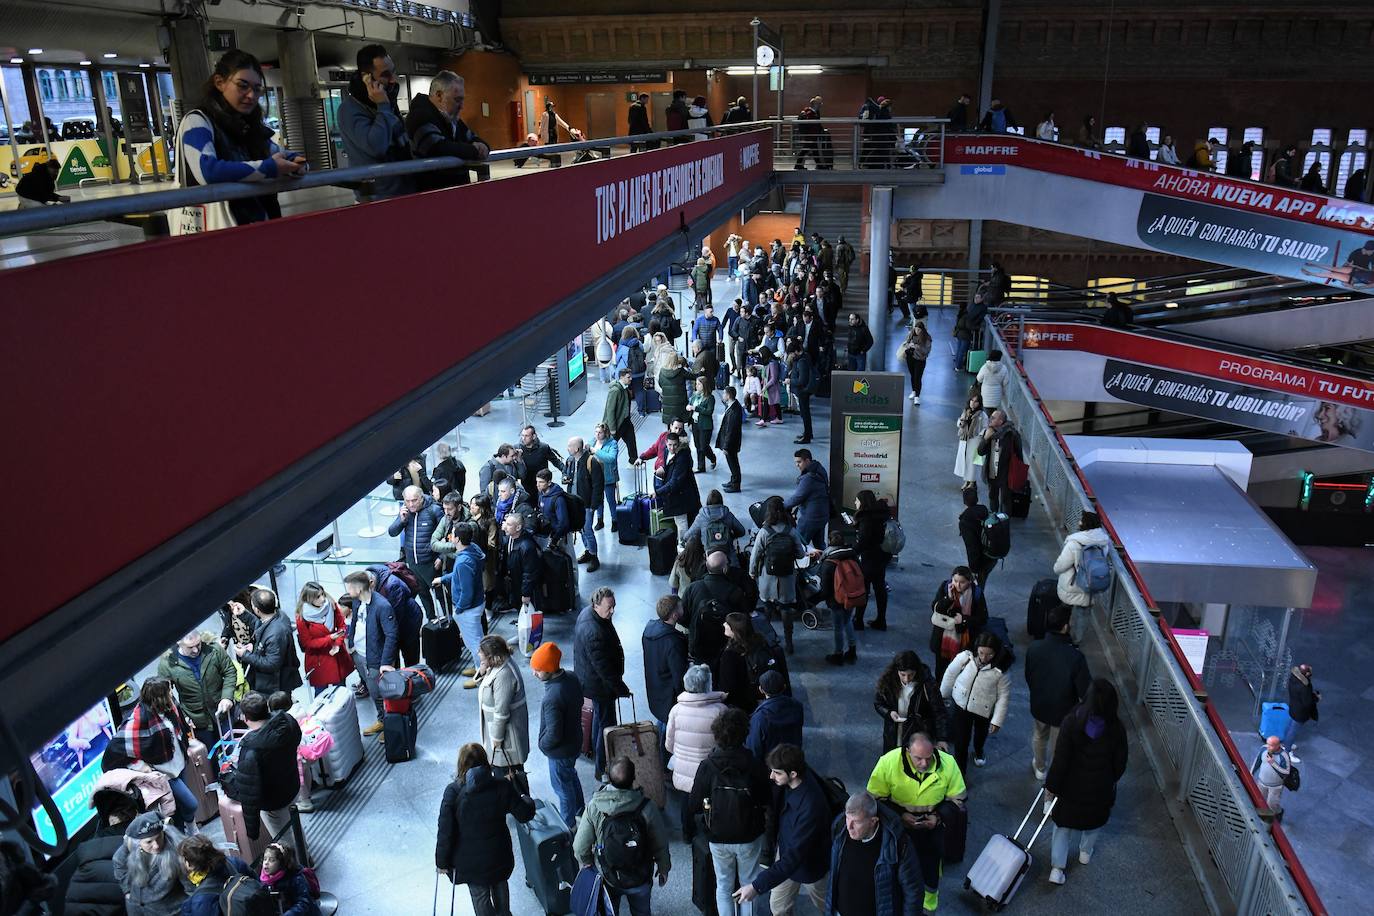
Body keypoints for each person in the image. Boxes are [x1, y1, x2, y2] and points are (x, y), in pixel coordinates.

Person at [175, 50, 305, 227]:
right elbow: (208, 171)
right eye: (243, 85)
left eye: (257, 89)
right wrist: (270, 168)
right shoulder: (197, 121)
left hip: (257, 228)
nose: (251, 95)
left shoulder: (249, 126)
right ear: (219, 82)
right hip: (218, 234)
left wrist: (296, 163)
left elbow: (278, 153)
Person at [866, 732, 967, 914]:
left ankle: (928, 908)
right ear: (907, 751)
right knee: (898, 871)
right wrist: (900, 815)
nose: (924, 763)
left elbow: (958, 800)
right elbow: (875, 799)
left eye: (928, 757)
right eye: (918, 758)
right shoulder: (888, 763)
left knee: (930, 873)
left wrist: (938, 817)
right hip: (899, 830)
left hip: (932, 831)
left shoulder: (948, 763)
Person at [684, 707, 771, 916]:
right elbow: (766, 799)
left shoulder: (707, 766)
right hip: (749, 834)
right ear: (744, 733)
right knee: (749, 882)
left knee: (723, 884)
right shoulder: (754, 764)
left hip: (718, 834)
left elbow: (693, 803)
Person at [1044, 679, 1129, 885]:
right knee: (1093, 824)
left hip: (1070, 790)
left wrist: (1052, 787)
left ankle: (1057, 868)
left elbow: (1060, 760)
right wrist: (1108, 778)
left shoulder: (1072, 721)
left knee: (1063, 827)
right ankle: (1085, 853)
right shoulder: (1117, 729)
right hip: (1099, 791)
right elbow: (1120, 763)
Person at [436, 742, 536, 916]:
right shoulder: (501, 786)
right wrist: (524, 797)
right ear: (485, 762)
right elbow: (524, 814)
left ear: (461, 765)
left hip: (470, 864)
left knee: (480, 899)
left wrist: (441, 862)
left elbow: (445, 831)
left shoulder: (453, 792)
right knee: (501, 891)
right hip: (499, 855)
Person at [733, 744, 831, 914]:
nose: (771, 776)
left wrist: (756, 886)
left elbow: (794, 857)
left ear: (793, 774)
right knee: (778, 906)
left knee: (826, 904)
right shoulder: (793, 778)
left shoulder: (811, 806)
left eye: (777, 772)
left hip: (809, 864)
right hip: (787, 852)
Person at [573, 757, 672, 915]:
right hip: (641, 874)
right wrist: (664, 868)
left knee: (610, 910)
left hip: (609, 876)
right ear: (633, 778)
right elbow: (660, 841)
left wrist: (587, 863)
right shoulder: (647, 807)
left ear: (609, 778)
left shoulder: (595, 806)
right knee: (642, 911)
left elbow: (579, 847)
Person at [104, 678, 200, 831]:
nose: (171, 693)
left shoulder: (170, 706)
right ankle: (192, 831)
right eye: (168, 692)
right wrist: (142, 767)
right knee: (190, 803)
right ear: (159, 697)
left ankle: (183, 836)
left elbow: (179, 725)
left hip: (180, 763)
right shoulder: (139, 719)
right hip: (164, 773)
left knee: (178, 806)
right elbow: (115, 751)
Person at [220, 691, 302, 842]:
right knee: (295, 826)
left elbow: (249, 793)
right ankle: (306, 856)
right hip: (292, 785)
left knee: (283, 840)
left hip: (273, 802)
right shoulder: (287, 721)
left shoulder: (251, 750)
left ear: (245, 718)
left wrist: (252, 831)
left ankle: (299, 863)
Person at [826, 791, 923, 916]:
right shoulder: (840, 829)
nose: (849, 826)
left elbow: (913, 891)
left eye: (856, 822)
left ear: (873, 821)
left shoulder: (897, 844)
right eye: (847, 818)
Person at [338, 44, 414, 200]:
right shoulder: (349, 110)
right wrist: (383, 106)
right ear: (367, 78)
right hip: (378, 198)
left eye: (393, 71)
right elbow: (376, 146)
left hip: (405, 190)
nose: (393, 79)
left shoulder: (387, 100)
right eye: (385, 74)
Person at [1024, 605, 1091, 781]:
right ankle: (1054, 771)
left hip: (1039, 703)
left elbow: (1029, 676)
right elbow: (1085, 691)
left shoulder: (1034, 648)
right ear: (1065, 626)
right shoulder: (1075, 657)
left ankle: (1039, 767)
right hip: (1063, 710)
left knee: (1039, 735)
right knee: (1058, 743)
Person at [524, 643, 587, 830]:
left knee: (562, 789)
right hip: (575, 741)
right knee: (570, 776)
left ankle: (568, 826)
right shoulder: (571, 677)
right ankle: (580, 811)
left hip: (560, 751)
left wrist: (542, 744)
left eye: (538, 670)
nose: (534, 673)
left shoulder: (552, 697)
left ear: (550, 670)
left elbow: (554, 733)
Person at [940, 632, 1013, 775]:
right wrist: (943, 694)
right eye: (981, 653)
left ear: (996, 653)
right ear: (976, 648)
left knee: (980, 733)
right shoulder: (965, 657)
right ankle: (960, 774)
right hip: (962, 705)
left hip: (984, 709)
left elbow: (1003, 696)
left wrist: (997, 721)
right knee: (961, 741)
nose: (984, 658)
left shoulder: (1001, 671)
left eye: (989, 654)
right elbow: (950, 674)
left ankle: (979, 750)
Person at [576, 588, 629, 781]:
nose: (613, 611)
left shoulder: (590, 615)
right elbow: (603, 668)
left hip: (591, 681)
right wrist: (620, 688)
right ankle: (602, 768)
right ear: (596, 605)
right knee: (607, 725)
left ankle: (596, 753)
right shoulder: (593, 632)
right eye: (609, 607)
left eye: (614, 606)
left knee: (600, 718)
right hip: (600, 686)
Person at [404, 70, 489, 190]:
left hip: (453, 191)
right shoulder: (419, 117)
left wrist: (483, 145)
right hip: (431, 193)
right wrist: (474, 150)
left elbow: (472, 137)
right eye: (457, 100)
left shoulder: (452, 119)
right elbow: (437, 148)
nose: (462, 106)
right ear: (439, 96)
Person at [156, 631, 236, 749]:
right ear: (179, 643)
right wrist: (182, 716)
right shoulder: (167, 663)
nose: (195, 650)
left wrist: (227, 696)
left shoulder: (213, 650)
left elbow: (229, 671)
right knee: (208, 758)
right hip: (196, 720)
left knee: (232, 751)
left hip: (223, 712)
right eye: (190, 647)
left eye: (198, 644)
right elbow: (165, 694)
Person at [343, 570, 399, 732]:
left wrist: (386, 662)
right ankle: (382, 721)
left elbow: (391, 635)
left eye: (349, 588)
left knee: (380, 694)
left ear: (359, 589)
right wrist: (351, 642)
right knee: (373, 691)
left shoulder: (383, 606)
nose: (348, 591)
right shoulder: (356, 601)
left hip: (375, 659)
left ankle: (389, 726)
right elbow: (354, 622)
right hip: (359, 654)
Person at [750, 497, 808, 654]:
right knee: (786, 609)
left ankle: (768, 640)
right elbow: (801, 554)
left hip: (767, 579)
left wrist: (752, 573)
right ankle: (789, 642)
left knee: (767, 608)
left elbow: (755, 556)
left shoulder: (764, 532)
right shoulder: (791, 531)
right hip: (787, 579)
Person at [667, 663, 730, 795]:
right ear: (708, 684)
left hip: (683, 774)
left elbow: (669, 744)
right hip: (711, 772)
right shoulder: (720, 710)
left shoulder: (676, 710)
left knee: (686, 807)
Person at [437, 521, 486, 688]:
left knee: (475, 644)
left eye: (452, 534)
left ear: (457, 539)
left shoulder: (464, 561)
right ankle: (479, 667)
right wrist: (443, 579)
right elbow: (460, 575)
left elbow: (466, 591)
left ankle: (481, 674)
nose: (450, 536)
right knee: (477, 640)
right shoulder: (473, 550)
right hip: (476, 604)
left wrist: (458, 610)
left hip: (468, 609)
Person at [874, 650, 949, 756]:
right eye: (903, 674)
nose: (907, 679)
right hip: (895, 732)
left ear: (916, 671)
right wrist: (889, 713)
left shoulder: (928, 684)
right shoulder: (889, 681)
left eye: (911, 675)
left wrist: (942, 738)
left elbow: (939, 712)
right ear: (897, 671)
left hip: (918, 732)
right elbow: (878, 702)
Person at [111, 814, 187, 916]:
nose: (156, 845)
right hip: (137, 909)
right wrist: (127, 891)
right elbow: (118, 863)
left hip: (171, 910)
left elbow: (191, 887)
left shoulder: (177, 849)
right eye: (149, 842)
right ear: (137, 843)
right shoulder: (127, 850)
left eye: (159, 837)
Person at [388, 485, 445, 620]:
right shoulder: (406, 512)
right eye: (407, 501)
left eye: (414, 500)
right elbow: (392, 532)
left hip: (431, 562)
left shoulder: (434, 510)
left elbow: (446, 534)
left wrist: (442, 557)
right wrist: (401, 520)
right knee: (422, 593)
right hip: (413, 562)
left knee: (440, 594)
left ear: (422, 498)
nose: (411, 504)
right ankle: (432, 618)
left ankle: (450, 619)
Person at [293, 583, 354, 697]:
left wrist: (337, 643)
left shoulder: (331, 604)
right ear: (309, 599)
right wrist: (330, 638)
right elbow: (307, 643)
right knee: (320, 694)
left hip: (336, 654)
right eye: (317, 597)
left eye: (322, 594)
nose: (322, 598)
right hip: (318, 659)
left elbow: (342, 626)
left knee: (341, 693)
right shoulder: (302, 616)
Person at [929, 566, 988, 682]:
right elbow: (935, 608)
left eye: (962, 582)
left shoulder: (976, 594)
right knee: (940, 669)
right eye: (955, 581)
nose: (957, 585)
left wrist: (964, 619)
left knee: (961, 671)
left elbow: (983, 618)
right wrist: (949, 598)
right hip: (942, 638)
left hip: (965, 641)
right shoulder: (946, 587)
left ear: (969, 582)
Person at [643, 595, 690, 740]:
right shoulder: (673, 641)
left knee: (662, 721)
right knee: (667, 733)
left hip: (655, 688)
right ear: (675, 615)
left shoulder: (649, 629)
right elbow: (679, 677)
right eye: (681, 607)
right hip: (669, 695)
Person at [1053, 511, 1112, 609]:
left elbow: (1060, 566)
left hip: (1071, 587)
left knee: (1064, 612)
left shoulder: (1074, 543)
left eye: (1081, 520)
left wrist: (1055, 568)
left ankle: (1065, 624)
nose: (1079, 522)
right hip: (1090, 586)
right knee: (1083, 616)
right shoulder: (1104, 543)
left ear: (1084, 524)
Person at [852, 490, 892, 631]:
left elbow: (863, 541)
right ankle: (881, 620)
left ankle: (858, 620)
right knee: (880, 588)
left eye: (857, 500)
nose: (855, 503)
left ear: (862, 502)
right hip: (882, 556)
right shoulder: (881, 514)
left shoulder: (866, 519)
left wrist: (851, 551)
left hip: (869, 558)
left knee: (863, 589)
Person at [564, 437, 605, 574]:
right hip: (575, 503)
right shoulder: (570, 461)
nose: (567, 448)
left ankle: (594, 556)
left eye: (569, 446)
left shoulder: (591, 462)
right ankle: (588, 551)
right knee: (580, 529)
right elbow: (566, 474)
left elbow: (598, 486)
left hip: (587, 504)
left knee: (587, 529)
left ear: (577, 449)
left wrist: (594, 505)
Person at [719, 613, 774, 713]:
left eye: (727, 623)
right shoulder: (760, 641)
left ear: (734, 630)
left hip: (740, 704)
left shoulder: (730, 655)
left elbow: (727, 686)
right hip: (760, 693)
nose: (724, 624)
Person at [746, 670, 803, 759]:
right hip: (792, 758)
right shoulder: (797, 706)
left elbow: (754, 749)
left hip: (771, 764)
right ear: (784, 686)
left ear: (761, 689)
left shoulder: (759, 717)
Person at [655, 432, 702, 539]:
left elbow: (675, 482)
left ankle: (684, 547)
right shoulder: (667, 451)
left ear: (678, 443)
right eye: (670, 445)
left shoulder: (682, 457)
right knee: (680, 521)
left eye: (675, 445)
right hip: (676, 495)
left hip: (682, 496)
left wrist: (658, 492)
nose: (672, 448)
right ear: (666, 443)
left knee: (682, 523)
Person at [976, 409, 1023, 514]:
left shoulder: (1012, 434)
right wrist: (986, 439)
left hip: (1006, 474)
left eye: (993, 418)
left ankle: (1004, 524)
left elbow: (1019, 455)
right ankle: (994, 522)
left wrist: (1018, 472)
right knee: (992, 497)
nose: (990, 419)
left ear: (1001, 421)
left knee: (1006, 501)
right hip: (992, 473)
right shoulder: (989, 432)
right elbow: (980, 452)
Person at [257, 842, 320, 916]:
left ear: (281, 863)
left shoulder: (296, 878)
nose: (266, 863)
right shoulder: (265, 880)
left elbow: (304, 902)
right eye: (265, 859)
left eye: (272, 860)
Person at [784, 449, 829, 549]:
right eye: (796, 462)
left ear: (807, 461)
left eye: (799, 462)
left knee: (799, 545)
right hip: (822, 515)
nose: (797, 465)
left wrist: (781, 505)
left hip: (810, 518)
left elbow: (797, 497)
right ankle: (823, 562)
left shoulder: (808, 478)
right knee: (820, 545)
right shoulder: (819, 468)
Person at [957, 486, 995, 586]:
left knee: (977, 588)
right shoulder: (984, 510)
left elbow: (972, 547)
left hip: (982, 558)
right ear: (977, 499)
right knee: (982, 580)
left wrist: (974, 569)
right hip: (993, 553)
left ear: (964, 502)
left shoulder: (965, 521)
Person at [1251, 735, 1293, 819]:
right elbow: (1257, 761)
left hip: (1275, 786)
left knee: (1272, 805)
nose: (1268, 747)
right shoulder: (1264, 749)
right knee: (1259, 800)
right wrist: (1251, 772)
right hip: (1262, 782)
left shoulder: (1284, 756)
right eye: (1267, 744)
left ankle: (1276, 815)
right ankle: (1261, 817)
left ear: (1278, 745)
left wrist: (1273, 763)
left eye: (1271, 745)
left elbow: (1286, 772)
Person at [1285, 663, 1320, 762]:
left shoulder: (1293, 679)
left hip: (1293, 707)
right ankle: (1287, 751)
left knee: (1290, 726)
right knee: (1293, 730)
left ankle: (1287, 743)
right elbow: (1307, 703)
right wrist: (1315, 698)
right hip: (1300, 712)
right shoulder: (1304, 686)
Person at [714, 386, 745, 492]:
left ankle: (736, 485)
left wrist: (726, 446)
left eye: (724, 394)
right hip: (731, 442)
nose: (723, 395)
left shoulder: (734, 411)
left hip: (731, 443)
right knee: (732, 462)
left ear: (728, 395)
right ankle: (733, 480)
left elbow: (730, 430)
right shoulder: (732, 405)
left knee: (733, 463)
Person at [954, 392, 988, 486]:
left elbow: (985, 427)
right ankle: (966, 480)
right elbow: (959, 422)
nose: (973, 403)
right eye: (972, 400)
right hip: (964, 439)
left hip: (975, 440)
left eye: (976, 401)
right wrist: (961, 423)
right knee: (964, 460)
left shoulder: (982, 415)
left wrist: (980, 435)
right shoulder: (966, 411)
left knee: (972, 461)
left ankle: (972, 481)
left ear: (979, 403)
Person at [591, 422, 621, 529]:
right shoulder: (593, 441)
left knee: (611, 500)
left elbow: (611, 458)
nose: (597, 435)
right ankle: (600, 520)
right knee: (598, 500)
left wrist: (596, 451)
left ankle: (615, 520)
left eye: (600, 432)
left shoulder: (612, 444)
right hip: (596, 477)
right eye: (596, 432)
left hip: (608, 477)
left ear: (605, 433)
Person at [604, 367, 638, 458]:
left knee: (631, 441)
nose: (631, 378)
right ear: (622, 377)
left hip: (626, 421)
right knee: (610, 445)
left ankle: (633, 460)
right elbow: (610, 411)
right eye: (628, 377)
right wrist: (612, 428)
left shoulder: (625, 388)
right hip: (617, 423)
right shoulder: (615, 391)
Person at [688, 376, 718, 472]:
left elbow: (709, 412)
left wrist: (696, 408)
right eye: (696, 384)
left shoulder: (710, 398)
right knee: (697, 446)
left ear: (704, 385)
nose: (696, 386)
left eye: (699, 384)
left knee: (704, 446)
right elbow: (691, 408)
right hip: (695, 424)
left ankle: (712, 458)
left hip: (705, 425)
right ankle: (701, 467)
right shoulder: (694, 396)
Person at [900, 321, 932, 404]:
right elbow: (906, 343)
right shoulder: (911, 334)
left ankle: (917, 396)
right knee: (913, 376)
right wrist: (908, 345)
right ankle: (914, 391)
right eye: (916, 329)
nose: (917, 331)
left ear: (922, 330)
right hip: (910, 358)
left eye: (919, 330)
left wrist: (916, 346)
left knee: (918, 377)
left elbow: (926, 351)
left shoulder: (927, 338)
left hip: (920, 360)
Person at [976, 349, 1007, 415]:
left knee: (986, 412)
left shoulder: (985, 367)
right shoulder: (1004, 368)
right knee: (994, 412)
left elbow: (979, 379)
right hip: (997, 392)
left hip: (986, 392)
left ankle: (987, 423)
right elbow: (1006, 382)